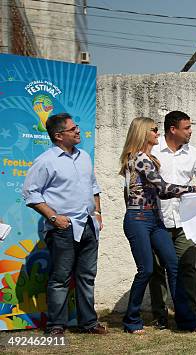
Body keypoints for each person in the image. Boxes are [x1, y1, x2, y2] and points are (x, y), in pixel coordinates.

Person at [119, 116, 196, 334]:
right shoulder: (139, 158)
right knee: (147, 270)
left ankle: (186, 320)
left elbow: (157, 191)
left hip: (154, 219)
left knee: (174, 265)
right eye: (154, 130)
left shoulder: (148, 158)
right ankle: (131, 320)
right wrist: (194, 189)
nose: (157, 134)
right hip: (138, 219)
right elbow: (163, 188)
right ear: (143, 133)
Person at [22, 113, 107, 335]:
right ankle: (56, 325)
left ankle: (88, 323)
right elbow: (30, 194)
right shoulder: (46, 161)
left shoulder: (84, 156)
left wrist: (97, 212)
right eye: (72, 129)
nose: (78, 131)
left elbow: (94, 187)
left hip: (88, 225)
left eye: (77, 127)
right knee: (60, 278)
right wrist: (54, 218)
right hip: (64, 228)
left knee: (87, 276)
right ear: (59, 136)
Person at [148, 111, 196, 329]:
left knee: (187, 266)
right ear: (173, 129)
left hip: (183, 221)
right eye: (187, 128)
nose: (190, 131)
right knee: (156, 268)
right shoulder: (150, 149)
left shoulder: (193, 153)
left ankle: (188, 315)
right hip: (156, 219)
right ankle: (160, 316)